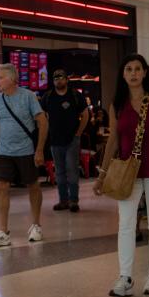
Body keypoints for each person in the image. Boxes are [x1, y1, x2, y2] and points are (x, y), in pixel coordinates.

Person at [93, 54, 149, 297]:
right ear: (123, 74)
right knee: (126, 224)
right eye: (128, 69)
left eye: (137, 69)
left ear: (144, 73)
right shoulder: (117, 105)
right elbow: (113, 142)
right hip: (127, 174)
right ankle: (125, 276)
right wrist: (102, 174)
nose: (133, 73)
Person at [0, 63, 48, 246]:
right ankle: (3, 231)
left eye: (1, 77)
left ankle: (36, 225)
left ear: (13, 79)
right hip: (3, 151)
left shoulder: (28, 97)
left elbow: (43, 122)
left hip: (26, 150)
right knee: (1, 187)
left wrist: (39, 150)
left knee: (33, 185)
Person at [42, 69, 89, 213]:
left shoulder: (75, 96)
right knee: (60, 171)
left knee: (72, 169)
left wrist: (78, 133)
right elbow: (42, 115)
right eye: (55, 78)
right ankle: (63, 200)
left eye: (61, 78)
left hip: (71, 140)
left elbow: (85, 114)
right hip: (55, 140)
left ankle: (73, 200)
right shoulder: (48, 97)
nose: (58, 81)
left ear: (66, 80)